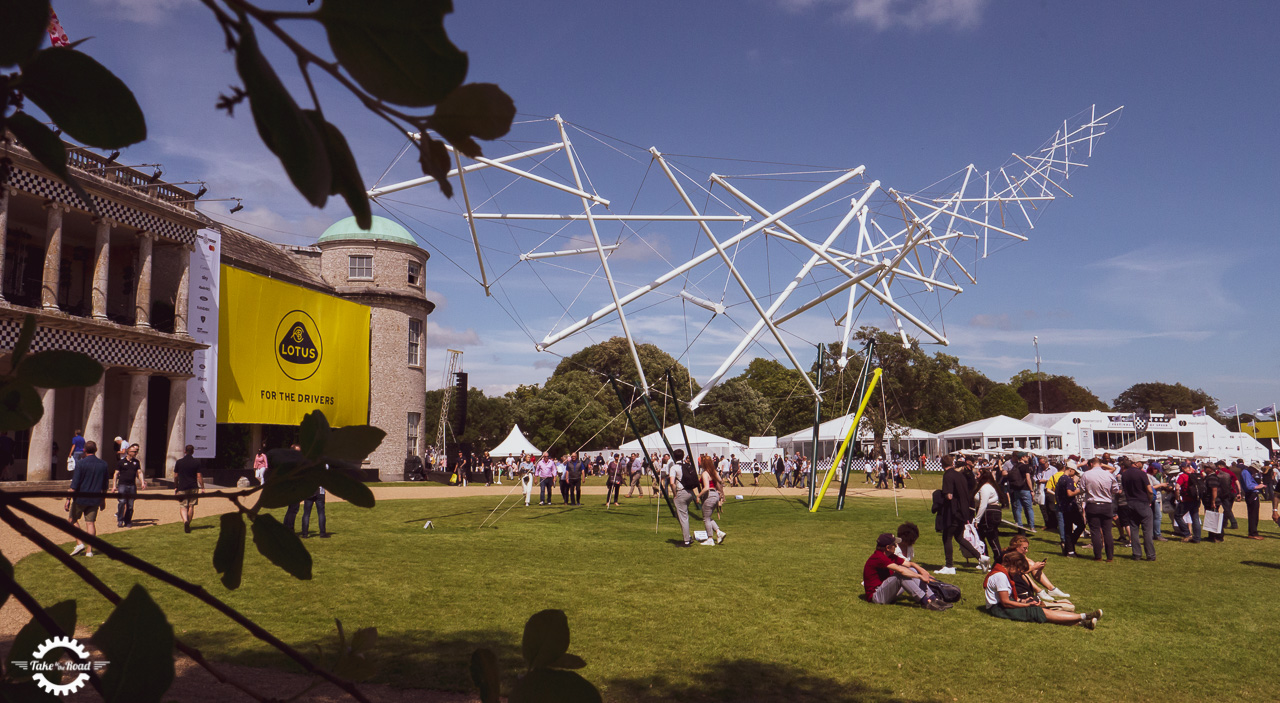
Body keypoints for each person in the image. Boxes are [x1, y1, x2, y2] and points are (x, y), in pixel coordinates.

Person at [984, 552, 1100, 628]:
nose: (1019, 573)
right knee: (1039, 612)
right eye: (1018, 570)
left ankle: (1083, 623)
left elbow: (1008, 599)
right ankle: (1084, 616)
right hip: (998, 609)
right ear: (1013, 565)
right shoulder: (1001, 576)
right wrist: (1026, 606)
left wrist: (1023, 601)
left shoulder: (1002, 573)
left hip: (1001, 606)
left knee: (1040, 612)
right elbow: (1005, 602)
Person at [863, 532, 949, 610]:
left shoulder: (890, 555)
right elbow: (900, 570)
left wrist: (923, 572)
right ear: (888, 547)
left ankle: (933, 598)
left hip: (886, 590)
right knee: (900, 575)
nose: (896, 546)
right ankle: (925, 601)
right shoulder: (879, 557)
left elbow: (909, 564)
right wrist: (920, 576)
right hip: (877, 597)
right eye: (894, 544)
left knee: (911, 570)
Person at [937, 455, 981, 575]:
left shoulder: (948, 475)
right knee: (959, 537)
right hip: (964, 510)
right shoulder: (960, 475)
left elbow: (949, 495)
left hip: (953, 511)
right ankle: (981, 557)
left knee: (947, 537)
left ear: (942, 464)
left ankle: (949, 565)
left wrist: (941, 497)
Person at [65, 441, 109, 557]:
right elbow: (105, 485)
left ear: (84, 450)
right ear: (96, 449)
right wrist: (103, 500)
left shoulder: (81, 463)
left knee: (71, 520)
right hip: (95, 498)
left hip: (81, 498)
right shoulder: (103, 464)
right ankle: (89, 551)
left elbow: (74, 484)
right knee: (90, 523)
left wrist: (68, 499)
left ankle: (80, 543)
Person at [1081, 457, 1118, 561]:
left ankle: (1098, 556)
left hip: (1093, 504)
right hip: (1106, 505)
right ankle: (1110, 556)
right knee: (1108, 531)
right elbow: (1115, 489)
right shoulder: (1109, 475)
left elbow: (1082, 489)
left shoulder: (1086, 474)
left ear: (1091, 463)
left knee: (1095, 531)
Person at [1120, 458, 1156, 561]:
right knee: (1147, 531)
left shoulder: (1124, 475)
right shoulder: (1141, 474)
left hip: (1130, 503)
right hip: (1142, 502)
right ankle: (1150, 555)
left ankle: (1136, 554)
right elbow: (1149, 490)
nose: (1143, 464)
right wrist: (1150, 500)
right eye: (1142, 462)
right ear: (1136, 463)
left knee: (1134, 529)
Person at [667, 449, 699, 547]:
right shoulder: (687, 466)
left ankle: (687, 540)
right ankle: (687, 536)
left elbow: (672, 483)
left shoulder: (674, 467)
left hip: (681, 492)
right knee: (680, 515)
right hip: (690, 492)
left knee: (683, 516)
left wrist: (674, 494)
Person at [1055, 461, 1086, 556]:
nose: (1075, 474)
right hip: (1071, 506)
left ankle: (1069, 550)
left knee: (1068, 528)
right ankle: (1070, 545)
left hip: (1063, 506)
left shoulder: (1060, 479)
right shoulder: (1068, 480)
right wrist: (1079, 491)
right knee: (1081, 525)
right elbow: (1069, 493)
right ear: (1070, 470)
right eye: (1075, 472)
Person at [112, 443, 146, 528]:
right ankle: (120, 519)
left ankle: (128, 521)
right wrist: (114, 486)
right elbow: (116, 474)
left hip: (132, 486)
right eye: (134, 451)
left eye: (136, 451)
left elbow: (139, 472)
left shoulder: (136, 462)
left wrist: (142, 482)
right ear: (128, 452)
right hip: (122, 485)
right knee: (122, 502)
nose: (135, 453)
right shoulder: (121, 462)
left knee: (130, 505)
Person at [973, 467, 1003, 558]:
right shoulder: (989, 486)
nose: (976, 477)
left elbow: (983, 504)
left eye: (977, 475)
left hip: (988, 513)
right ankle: (986, 559)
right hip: (992, 512)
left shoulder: (985, 487)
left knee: (991, 538)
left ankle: (997, 560)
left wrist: (977, 520)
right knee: (984, 537)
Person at [174, 444, 204, 533]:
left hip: (182, 486)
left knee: (183, 506)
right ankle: (188, 524)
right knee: (191, 506)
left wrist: (176, 486)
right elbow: (199, 476)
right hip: (193, 486)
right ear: (193, 451)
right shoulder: (196, 462)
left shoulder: (179, 462)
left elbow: (176, 476)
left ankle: (185, 521)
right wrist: (202, 487)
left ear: (185, 451)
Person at [698, 455, 727, 545]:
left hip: (709, 495)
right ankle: (718, 532)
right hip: (715, 495)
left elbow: (706, 487)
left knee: (706, 518)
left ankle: (710, 538)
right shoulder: (714, 472)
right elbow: (720, 481)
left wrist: (698, 496)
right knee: (709, 517)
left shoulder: (705, 474)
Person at [1006, 451, 1036, 532]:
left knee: (1018, 508)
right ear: (1022, 457)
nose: (1028, 458)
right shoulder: (1025, 466)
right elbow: (1028, 478)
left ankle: (1019, 524)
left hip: (1016, 489)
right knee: (1029, 508)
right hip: (1025, 489)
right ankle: (1032, 526)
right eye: (1026, 456)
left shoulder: (1014, 466)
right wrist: (1031, 490)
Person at [1176, 461, 1205, 543]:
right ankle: (1197, 538)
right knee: (1195, 517)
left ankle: (1187, 534)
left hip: (1186, 500)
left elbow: (1177, 487)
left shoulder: (1182, 476)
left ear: (1182, 468)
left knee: (1177, 516)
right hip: (1196, 499)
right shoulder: (1196, 475)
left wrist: (1177, 497)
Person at [1240, 461, 1265, 539]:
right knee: (1253, 514)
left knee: (1254, 514)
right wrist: (1259, 486)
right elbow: (1249, 486)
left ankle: (1253, 532)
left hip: (1252, 494)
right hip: (1251, 494)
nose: (1256, 472)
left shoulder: (1247, 473)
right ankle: (1253, 533)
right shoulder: (1246, 473)